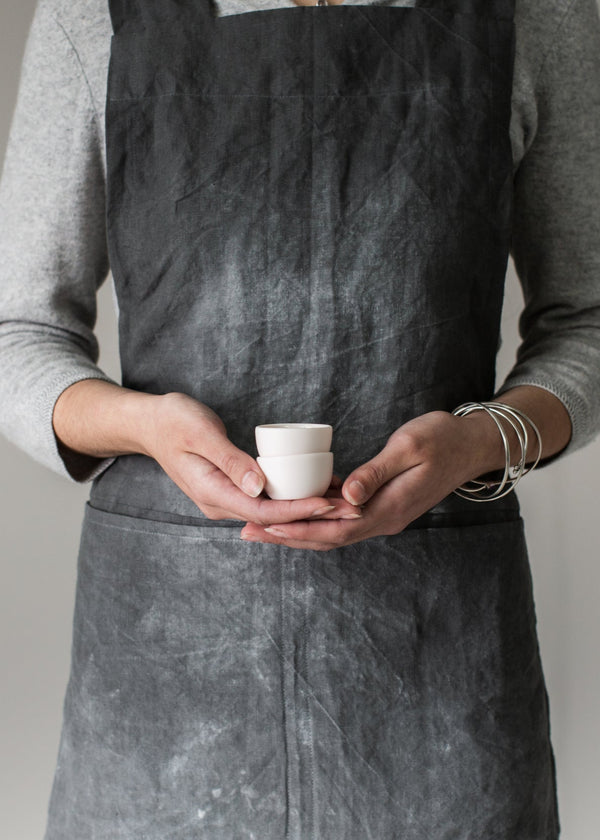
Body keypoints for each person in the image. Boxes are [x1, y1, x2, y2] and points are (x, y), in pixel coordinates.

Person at [1, 0, 599, 836]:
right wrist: (143, 426)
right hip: (167, 666)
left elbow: (587, 319)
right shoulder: (93, 18)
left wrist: (482, 440)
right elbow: (19, 332)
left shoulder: (536, 16)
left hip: (437, 658)